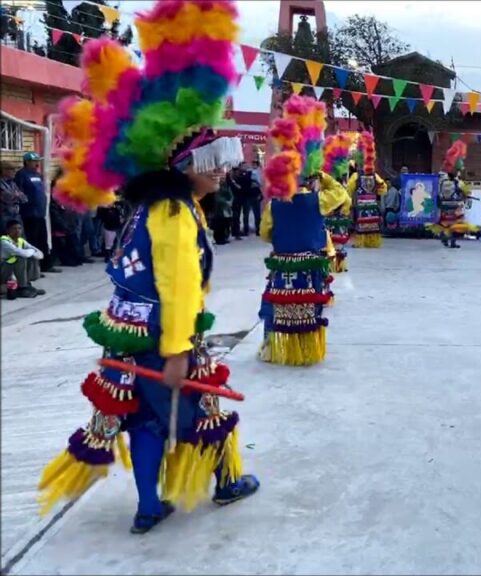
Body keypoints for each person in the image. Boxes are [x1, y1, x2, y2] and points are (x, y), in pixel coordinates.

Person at [37, 2, 258, 534]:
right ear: (191, 166)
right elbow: (179, 286)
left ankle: (147, 505)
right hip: (164, 334)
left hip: (127, 331)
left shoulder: (147, 207)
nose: (226, 171)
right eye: (219, 161)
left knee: (142, 418)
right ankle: (224, 483)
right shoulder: (176, 214)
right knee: (208, 408)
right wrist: (181, 348)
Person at [258, 95, 347, 366]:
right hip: (309, 265)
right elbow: (341, 194)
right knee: (310, 310)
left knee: (276, 311)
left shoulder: (274, 205)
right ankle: (308, 352)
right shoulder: (316, 200)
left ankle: (274, 351)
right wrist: (322, 175)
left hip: (283, 265)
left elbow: (265, 234)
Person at [426, 141, 477, 249]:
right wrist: (464, 196)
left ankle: (444, 238)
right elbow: (466, 192)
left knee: (443, 223)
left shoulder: (440, 180)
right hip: (454, 205)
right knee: (454, 225)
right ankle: (452, 242)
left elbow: (435, 192)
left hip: (443, 205)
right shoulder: (458, 182)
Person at [346, 131, 388, 248]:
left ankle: (361, 242)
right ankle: (372, 242)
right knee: (372, 223)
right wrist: (375, 193)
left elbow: (349, 189)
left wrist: (349, 202)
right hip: (372, 204)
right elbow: (384, 187)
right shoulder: (375, 175)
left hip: (361, 205)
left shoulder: (356, 176)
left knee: (361, 223)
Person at [15, 151, 55, 272]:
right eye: (34, 161)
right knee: (33, 240)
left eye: (37, 161)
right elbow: (19, 194)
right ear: (27, 161)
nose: (36, 163)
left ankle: (46, 265)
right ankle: (34, 269)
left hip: (40, 212)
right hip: (29, 214)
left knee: (43, 239)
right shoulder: (21, 174)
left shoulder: (38, 175)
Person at [323, 132, 356, 273]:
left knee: (331, 243)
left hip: (331, 218)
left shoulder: (327, 187)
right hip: (338, 218)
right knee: (337, 244)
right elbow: (347, 202)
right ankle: (338, 266)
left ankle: (332, 266)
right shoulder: (341, 188)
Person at [1, 219, 45, 299]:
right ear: (8, 230)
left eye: (19, 228)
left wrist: (32, 252)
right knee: (21, 258)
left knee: (32, 257)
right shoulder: (4, 241)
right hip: (3, 270)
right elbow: (22, 253)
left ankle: (26, 284)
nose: (17, 231)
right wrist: (32, 251)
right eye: (14, 228)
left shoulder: (21, 240)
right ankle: (22, 288)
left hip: (12, 271)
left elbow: (40, 254)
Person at [211, 177, 233, 245]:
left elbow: (231, 194)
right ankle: (219, 239)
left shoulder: (226, 186)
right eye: (221, 179)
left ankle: (224, 237)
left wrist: (230, 201)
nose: (223, 180)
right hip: (219, 208)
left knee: (225, 223)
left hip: (226, 207)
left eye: (223, 179)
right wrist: (226, 202)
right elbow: (216, 198)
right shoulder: (216, 187)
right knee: (219, 224)